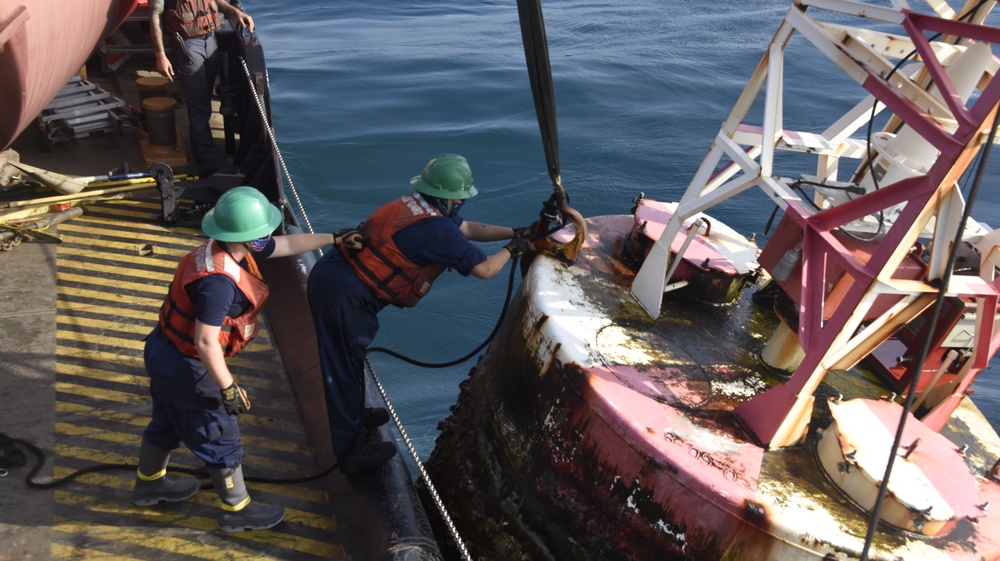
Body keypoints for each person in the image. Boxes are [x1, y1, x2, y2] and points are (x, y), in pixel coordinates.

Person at [131, 186, 358, 533]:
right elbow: (206, 341)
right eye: (263, 230)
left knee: (166, 422)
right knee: (220, 432)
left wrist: (334, 239)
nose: (268, 235)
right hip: (186, 365)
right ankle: (235, 510)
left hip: (164, 352)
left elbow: (283, 246)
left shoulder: (229, 248)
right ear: (248, 236)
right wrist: (228, 388)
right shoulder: (217, 283)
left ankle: (149, 485)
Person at [307, 154, 534, 474]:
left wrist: (515, 231)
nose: (462, 203)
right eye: (460, 197)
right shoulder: (437, 231)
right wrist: (514, 250)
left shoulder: (418, 205)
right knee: (342, 366)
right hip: (343, 294)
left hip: (338, 275)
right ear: (448, 198)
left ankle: (355, 413)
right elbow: (484, 268)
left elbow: (468, 229)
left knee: (352, 356)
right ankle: (350, 450)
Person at [148, 0, 254, 175]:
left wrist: (235, 12)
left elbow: (216, 2)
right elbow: (154, 15)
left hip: (210, 39)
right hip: (188, 45)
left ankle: (200, 151)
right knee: (199, 105)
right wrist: (160, 55)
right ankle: (212, 164)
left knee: (204, 99)